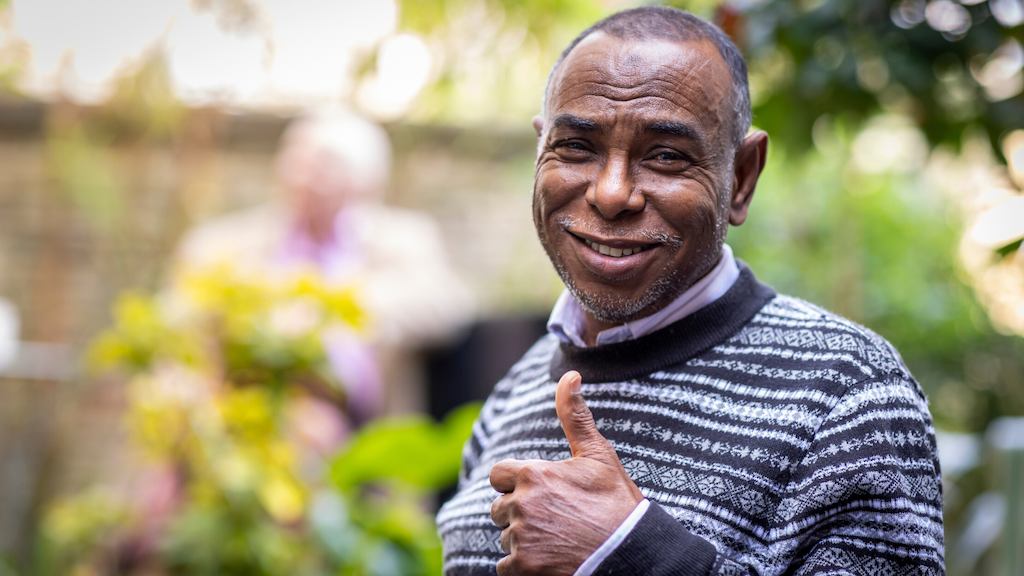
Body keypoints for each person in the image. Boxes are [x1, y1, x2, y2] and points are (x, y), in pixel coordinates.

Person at [436, 6, 943, 575]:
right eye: (577, 146)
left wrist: (628, 551)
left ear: (741, 178)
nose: (611, 193)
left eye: (666, 156)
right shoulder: (513, 396)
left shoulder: (849, 395)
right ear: (540, 151)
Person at [176, 109, 472, 420]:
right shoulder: (221, 242)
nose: (304, 177)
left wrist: (330, 309)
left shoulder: (404, 239)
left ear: (363, 181)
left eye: (324, 166)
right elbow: (183, 317)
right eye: (296, 161)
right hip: (245, 412)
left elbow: (448, 307)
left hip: (361, 421)